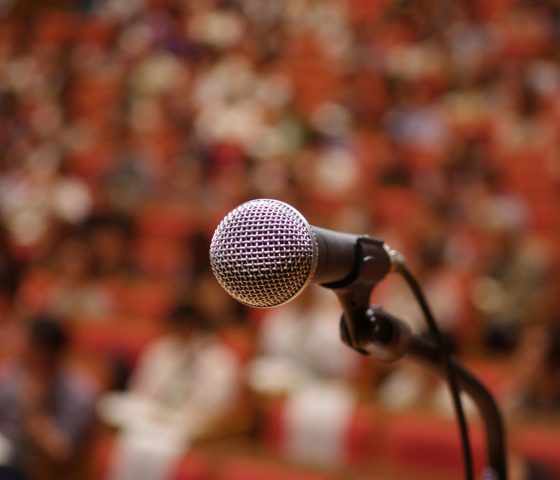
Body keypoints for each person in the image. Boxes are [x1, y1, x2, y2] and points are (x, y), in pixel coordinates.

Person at [97, 303, 240, 480]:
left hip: (194, 430)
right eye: (178, 328)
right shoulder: (161, 349)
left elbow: (219, 410)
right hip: (154, 418)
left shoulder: (220, 360)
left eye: (188, 328)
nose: (183, 333)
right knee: (130, 442)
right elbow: (140, 389)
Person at [0, 317, 97, 480]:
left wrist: (33, 407)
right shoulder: (14, 374)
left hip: (30, 469)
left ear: (43, 353)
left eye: (25, 344)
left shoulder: (79, 395)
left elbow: (58, 453)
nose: (18, 348)